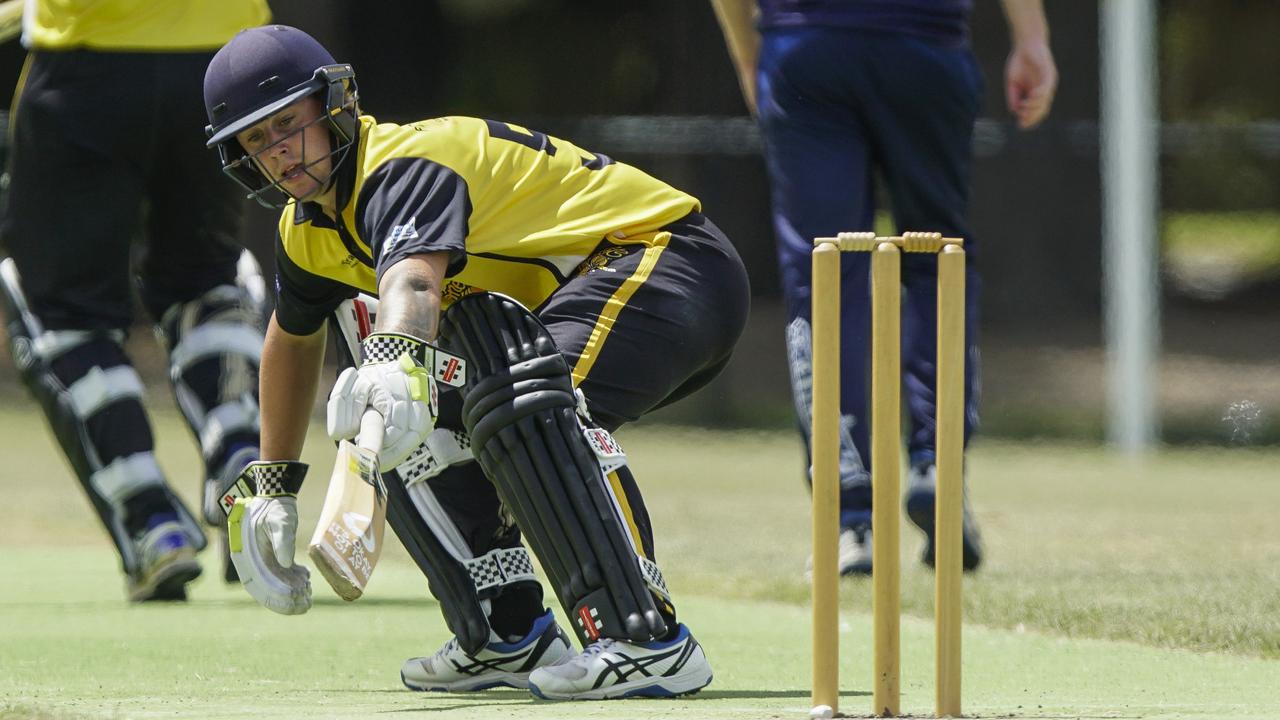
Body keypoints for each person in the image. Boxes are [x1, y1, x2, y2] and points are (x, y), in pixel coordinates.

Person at [202, 25, 749, 700]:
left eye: (289, 123)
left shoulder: (400, 165)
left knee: (513, 403)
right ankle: (506, 631)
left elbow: (415, 283)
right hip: (568, 305)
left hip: (667, 262)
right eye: (257, 139)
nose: (279, 151)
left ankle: (646, 640)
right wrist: (273, 481)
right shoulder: (305, 230)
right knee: (416, 416)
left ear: (333, 104)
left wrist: (397, 362)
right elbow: (291, 337)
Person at [711, 0, 1057, 574]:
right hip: (925, 45)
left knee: (824, 273)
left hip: (806, 46)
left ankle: (849, 513)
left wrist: (752, 54)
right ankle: (935, 462)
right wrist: (1032, 38)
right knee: (937, 260)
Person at [0, 0, 272, 601]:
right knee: (210, 280)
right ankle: (242, 458)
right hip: (223, 60)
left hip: (85, 63)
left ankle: (154, 524)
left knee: (59, 309)